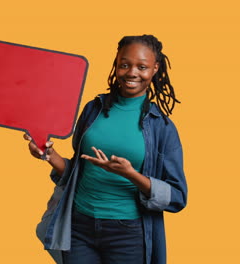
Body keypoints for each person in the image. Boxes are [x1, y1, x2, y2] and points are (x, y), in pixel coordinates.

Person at [24, 35, 187, 264]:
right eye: (125, 64)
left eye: (142, 67)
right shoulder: (93, 110)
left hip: (128, 234)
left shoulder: (162, 128)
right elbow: (77, 172)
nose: (132, 73)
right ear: (116, 64)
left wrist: (130, 174)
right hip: (79, 226)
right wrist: (48, 154)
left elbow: (177, 197)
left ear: (155, 69)